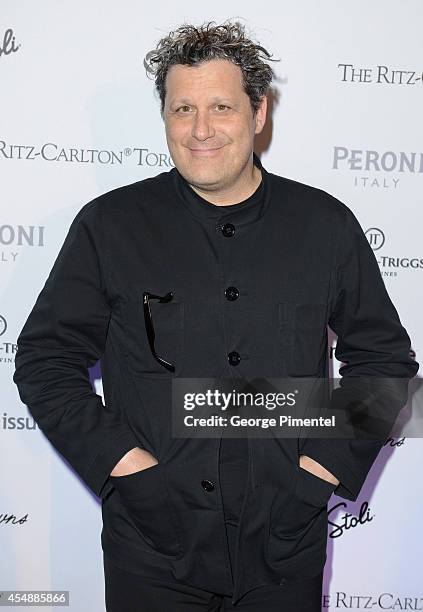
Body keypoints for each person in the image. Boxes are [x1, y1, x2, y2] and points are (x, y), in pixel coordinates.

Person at [13, 20, 418, 612]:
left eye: (221, 107)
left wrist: (320, 473)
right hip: (152, 548)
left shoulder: (324, 225)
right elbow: (46, 362)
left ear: (258, 114)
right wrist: (127, 470)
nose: (200, 130)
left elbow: (383, 362)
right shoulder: (110, 226)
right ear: (165, 119)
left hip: (287, 547)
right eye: (183, 109)